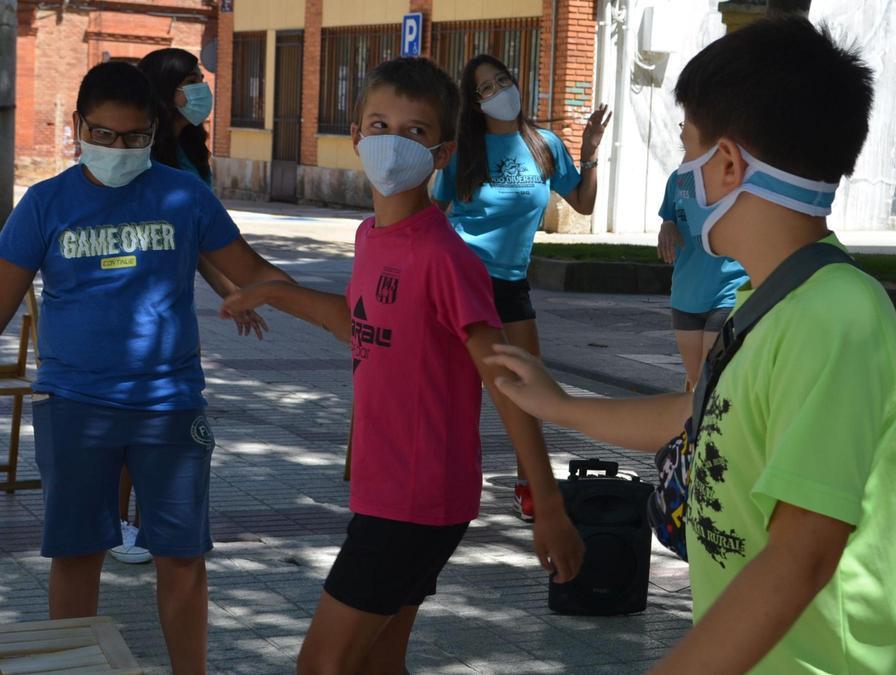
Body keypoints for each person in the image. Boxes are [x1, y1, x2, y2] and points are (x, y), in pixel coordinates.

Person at [484, 16, 896, 674]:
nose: (684, 172)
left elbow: (802, 554)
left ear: (726, 165)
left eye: (688, 149)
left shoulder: (837, 315)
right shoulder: (767, 302)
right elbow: (700, 412)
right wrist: (558, 405)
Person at [218, 57, 584, 674]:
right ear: (356, 135)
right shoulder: (371, 237)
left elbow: (503, 378)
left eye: (415, 132)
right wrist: (277, 293)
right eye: (380, 124)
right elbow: (360, 323)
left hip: (416, 499)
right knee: (377, 662)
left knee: (323, 665)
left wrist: (547, 505)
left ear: (441, 154)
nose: (393, 143)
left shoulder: (445, 257)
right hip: (385, 489)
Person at [0, 61, 295, 674]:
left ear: (154, 130)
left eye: (133, 138)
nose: (117, 149)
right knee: (78, 554)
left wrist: (352, 316)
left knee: (182, 556)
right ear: (78, 127)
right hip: (76, 404)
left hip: (171, 404)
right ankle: (73, 667)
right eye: (102, 135)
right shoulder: (44, 203)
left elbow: (253, 270)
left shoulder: (184, 195)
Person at [100, 48, 272, 568]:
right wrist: (231, 292)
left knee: (160, 418)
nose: (202, 88)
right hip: (135, 305)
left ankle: (147, 522)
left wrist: (233, 292)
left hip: (172, 308)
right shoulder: (143, 155)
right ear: (166, 86)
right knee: (132, 417)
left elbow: (200, 243)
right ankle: (117, 523)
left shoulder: (192, 150)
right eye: (192, 79)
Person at [431, 54, 610, 521]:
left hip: (511, 284)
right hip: (463, 281)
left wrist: (589, 151)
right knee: (459, 388)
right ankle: (449, 480)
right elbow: (432, 216)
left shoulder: (543, 144)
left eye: (503, 80)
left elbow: (584, 204)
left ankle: (529, 483)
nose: (498, 92)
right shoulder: (464, 150)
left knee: (525, 386)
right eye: (485, 88)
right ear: (473, 103)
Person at [656, 168, 748, 391]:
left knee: (713, 379)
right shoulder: (679, 179)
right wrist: (666, 226)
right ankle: (693, 425)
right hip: (686, 296)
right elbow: (669, 216)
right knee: (695, 378)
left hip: (728, 292)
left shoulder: (739, 178)